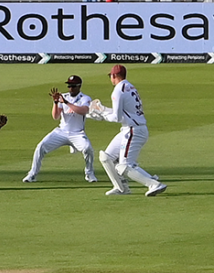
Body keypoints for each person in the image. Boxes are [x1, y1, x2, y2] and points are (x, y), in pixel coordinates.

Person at [90, 65, 167, 197]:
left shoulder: (118, 91)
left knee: (123, 166)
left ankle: (153, 184)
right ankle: (121, 188)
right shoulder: (129, 87)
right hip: (130, 128)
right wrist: (103, 110)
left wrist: (102, 114)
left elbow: (117, 117)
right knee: (106, 157)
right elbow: (123, 113)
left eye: (110, 76)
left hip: (133, 130)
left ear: (114, 76)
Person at [23, 75, 98, 184]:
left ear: (79, 86)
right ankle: (32, 174)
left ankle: (89, 174)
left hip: (77, 133)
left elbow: (84, 111)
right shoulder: (63, 96)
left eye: (73, 86)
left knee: (88, 148)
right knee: (41, 146)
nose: (71, 88)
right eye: (69, 86)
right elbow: (56, 116)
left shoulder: (85, 98)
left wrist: (66, 102)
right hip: (62, 131)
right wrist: (56, 102)